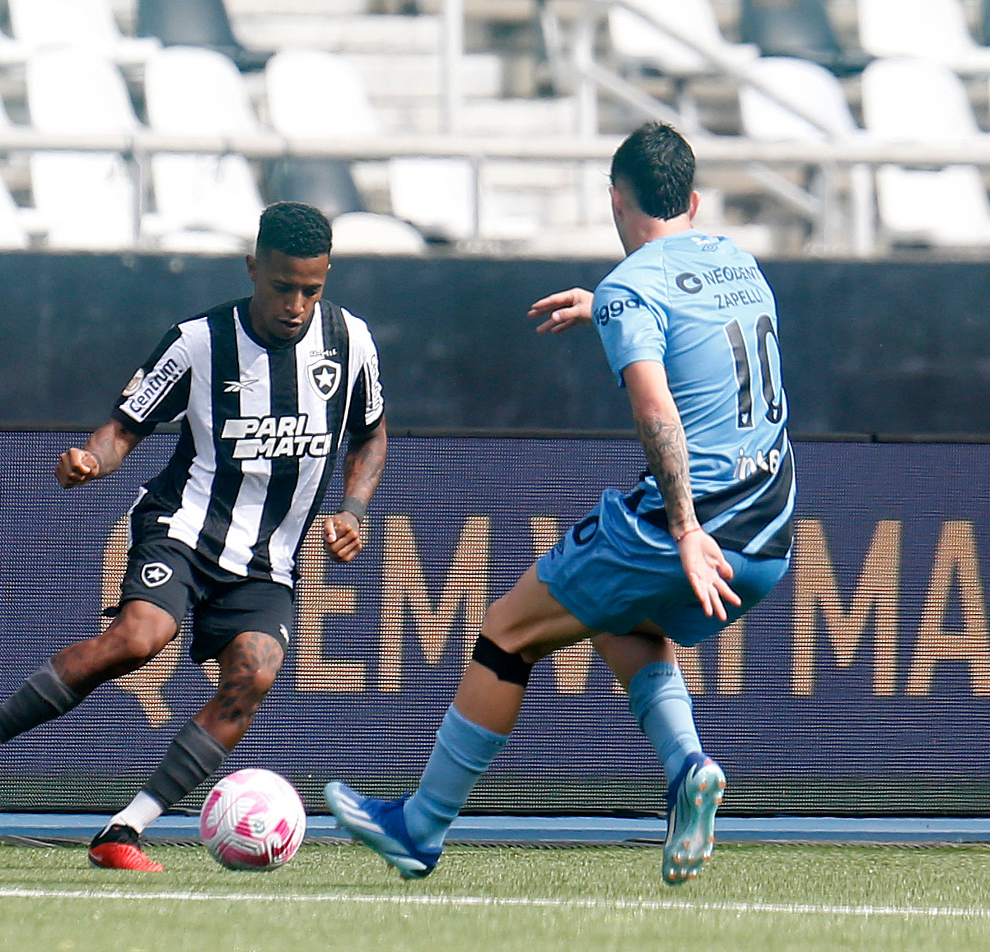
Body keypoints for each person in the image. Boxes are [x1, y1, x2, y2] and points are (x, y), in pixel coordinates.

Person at [325, 122, 795, 886]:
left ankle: (419, 826)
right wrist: (605, 306)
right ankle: (687, 770)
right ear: (695, 200)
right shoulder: (735, 260)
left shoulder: (630, 291)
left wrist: (680, 528)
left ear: (615, 198)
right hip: (770, 529)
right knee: (616, 617)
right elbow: (697, 336)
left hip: (688, 528)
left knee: (508, 634)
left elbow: (657, 412)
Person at [0, 202, 388, 872]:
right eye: (283, 287)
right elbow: (124, 426)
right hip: (182, 526)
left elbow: (370, 431)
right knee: (138, 640)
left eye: (313, 289)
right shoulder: (198, 341)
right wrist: (93, 460)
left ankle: (124, 830)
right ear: (253, 269)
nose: (297, 305)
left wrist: (355, 509)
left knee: (254, 676)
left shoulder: (351, 341)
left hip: (265, 559)